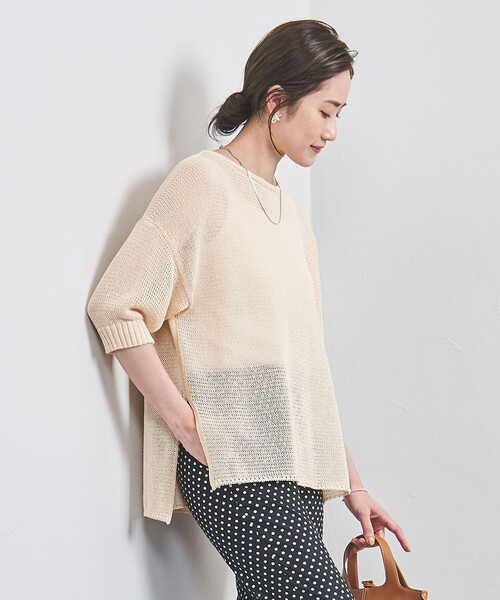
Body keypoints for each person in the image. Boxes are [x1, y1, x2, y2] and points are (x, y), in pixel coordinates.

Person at [87, 18, 411, 599]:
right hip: (234, 465)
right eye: (327, 111)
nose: (333, 131)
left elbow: (303, 374)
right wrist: (185, 423)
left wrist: (353, 484)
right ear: (277, 100)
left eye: (340, 114)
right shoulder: (201, 185)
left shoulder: (294, 221)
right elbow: (116, 304)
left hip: (296, 471)